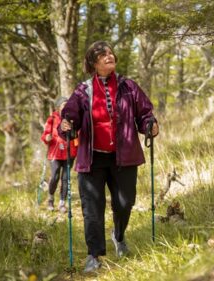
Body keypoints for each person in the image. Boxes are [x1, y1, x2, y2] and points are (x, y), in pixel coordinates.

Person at [59, 41, 159, 273]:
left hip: (123, 156)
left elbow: (145, 113)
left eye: (111, 53)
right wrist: (66, 126)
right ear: (93, 63)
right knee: (92, 208)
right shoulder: (83, 91)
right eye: (103, 55)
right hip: (92, 159)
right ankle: (93, 255)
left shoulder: (129, 87)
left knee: (125, 203)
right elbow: (69, 116)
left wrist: (150, 125)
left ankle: (119, 235)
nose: (109, 57)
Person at [41, 97, 78, 213]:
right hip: (55, 153)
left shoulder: (73, 119)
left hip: (69, 153)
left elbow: (78, 134)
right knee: (55, 176)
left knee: (66, 178)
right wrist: (47, 138)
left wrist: (78, 145)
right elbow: (45, 134)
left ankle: (62, 203)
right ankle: (50, 199)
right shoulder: (52, 118)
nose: (66, 108)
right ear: (58, 107)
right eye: (63, 105)